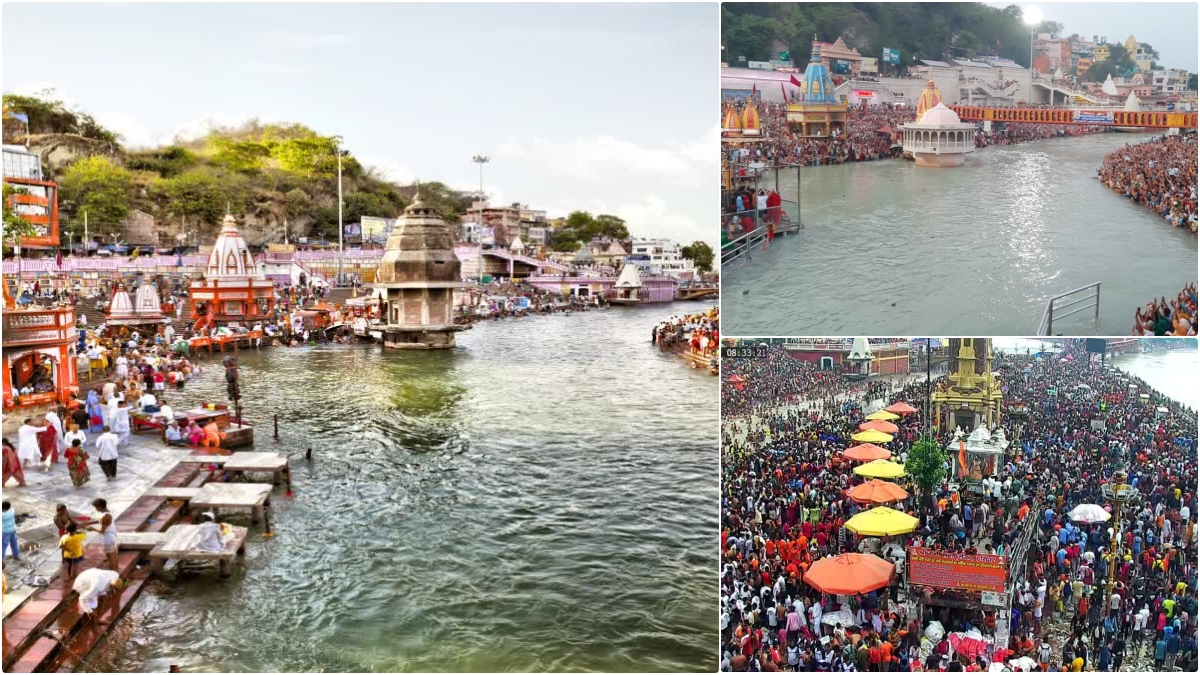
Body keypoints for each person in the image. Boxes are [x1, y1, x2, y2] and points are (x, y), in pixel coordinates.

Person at [90, 498, 119, 573]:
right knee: (113, 556)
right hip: (111, 537)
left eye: (95, 507)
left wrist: (92, 529)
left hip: (108, 538)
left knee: (111, 557)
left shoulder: (105, 516)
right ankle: (115, 572)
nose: (95, 509)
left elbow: (102, 530)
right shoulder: (107, 513)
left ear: (99, 507)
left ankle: (113, 573)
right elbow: (100, 520)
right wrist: (87, 523)